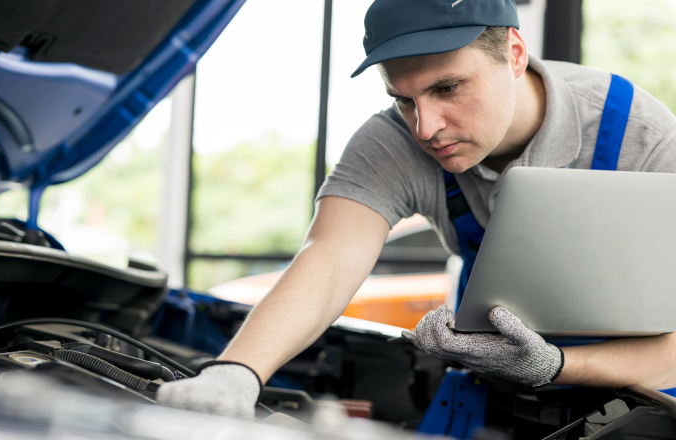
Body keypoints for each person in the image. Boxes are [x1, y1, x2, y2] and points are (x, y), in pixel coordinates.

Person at [157, 0, 676, 419]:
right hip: (493, 397)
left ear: (514, 53)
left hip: (641, 397)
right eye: (403, 99)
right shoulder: (393, 141)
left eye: (446, 88)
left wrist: (555, 365)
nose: (424, 128)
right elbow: (331, 256)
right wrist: (238, 372)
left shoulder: (640, 135)